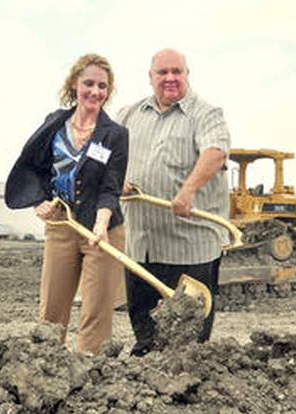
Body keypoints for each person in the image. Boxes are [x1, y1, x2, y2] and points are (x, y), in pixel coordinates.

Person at [5, 53, 128, 354]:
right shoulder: (54, 124)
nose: (95, 92)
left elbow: (110, 187)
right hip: (61, 224)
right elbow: (34, 167)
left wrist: (99, 226)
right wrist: (38, 203)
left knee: (96, 314)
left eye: (103, 86)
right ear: (74, 84)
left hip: (102, 229)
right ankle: (45, 368)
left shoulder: (115, 135)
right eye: (89, 83)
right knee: (51, 310)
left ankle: (88, 378)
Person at [116, 48, 231, 357]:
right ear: (150, 77)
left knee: (189, 333)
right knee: (144, 327)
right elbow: (110, 156)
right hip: (142, 242)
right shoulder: (128, 114)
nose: (170, 78)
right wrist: (116, 179)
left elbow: (215, 151)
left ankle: (185, 378)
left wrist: (188, 190)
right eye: (162, 72)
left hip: (189, 246)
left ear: (187, 75)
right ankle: (146, 379)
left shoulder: (206, 114)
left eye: (176, 72)